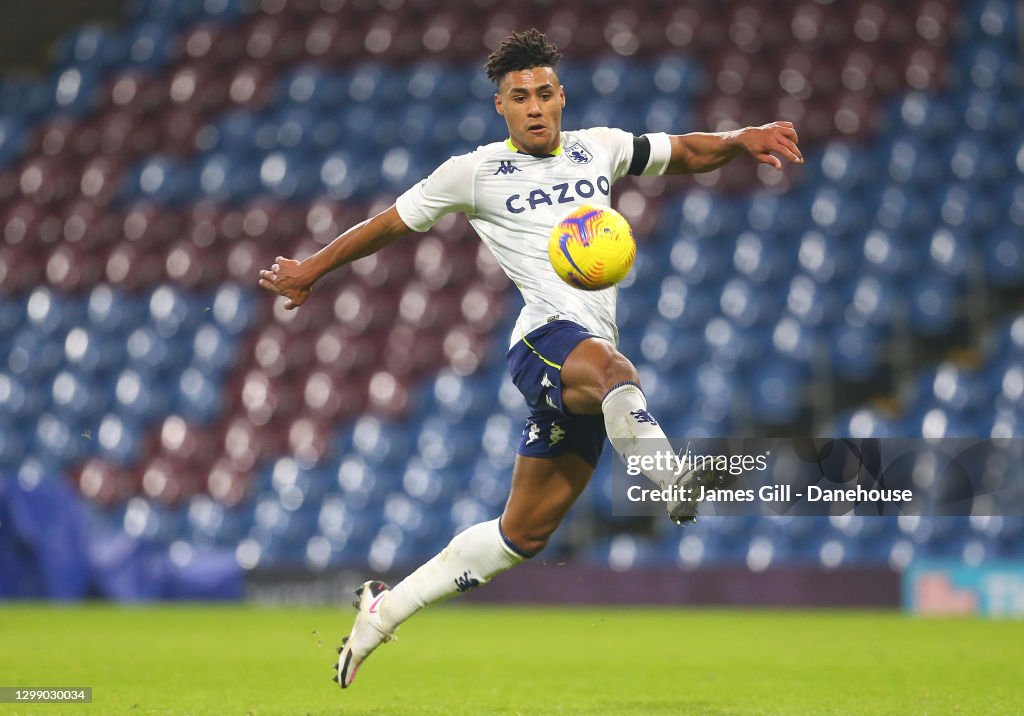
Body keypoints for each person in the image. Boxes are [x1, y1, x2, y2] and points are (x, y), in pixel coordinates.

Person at [258, 29, 803, 689]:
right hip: (543, 341)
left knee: (523, 535)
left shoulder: (597, 147)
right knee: (616, 372)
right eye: (521, 97)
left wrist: (744, 137)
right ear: (501, 107)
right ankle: (670, 483)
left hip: (587, 358)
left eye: (545, 93)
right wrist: (310, 271)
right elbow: (389, 223)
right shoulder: (475, 172)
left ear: (561, 96)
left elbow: (682, 151)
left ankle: (383, 609)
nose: (536, 107)